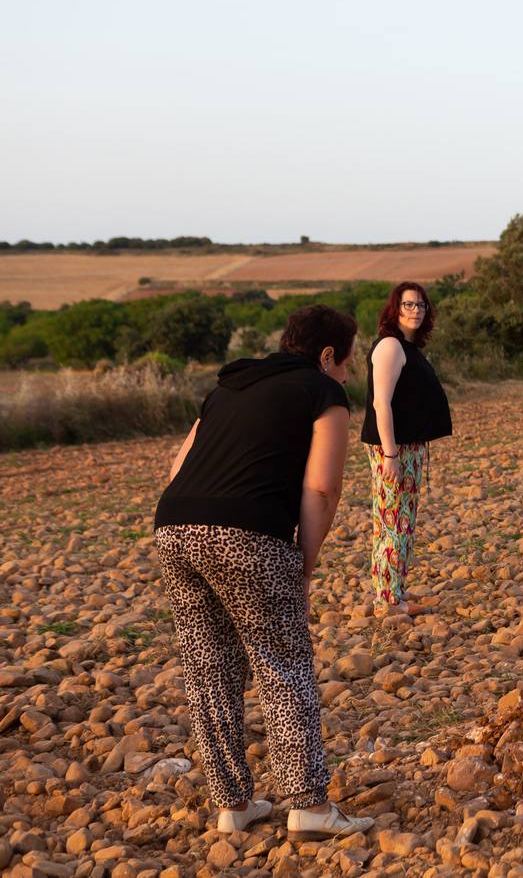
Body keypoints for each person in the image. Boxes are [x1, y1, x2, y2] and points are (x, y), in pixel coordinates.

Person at [153, 305, 374, 840]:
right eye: (347, 362)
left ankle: (233, 805)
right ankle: (309, 805)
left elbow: (179, 465)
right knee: (282, 662)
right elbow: (323, 487)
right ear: (327, 356)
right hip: (249, 534)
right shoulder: (323, 394)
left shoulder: (228, 387)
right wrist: (305, 561)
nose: (348, 373)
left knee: (209, 669)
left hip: (175, 525)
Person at [360, 281, 453, 618]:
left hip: (407, 449)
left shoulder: (407, 347)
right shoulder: (390, 347)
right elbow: (380, 404)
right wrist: (390, 456)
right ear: (394, 309)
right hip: (394, 450)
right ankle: (388, 601)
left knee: (401, 521)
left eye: (421, 305)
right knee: (392, 522)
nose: (415, 311)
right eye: (408, 305)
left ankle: (393, 589)